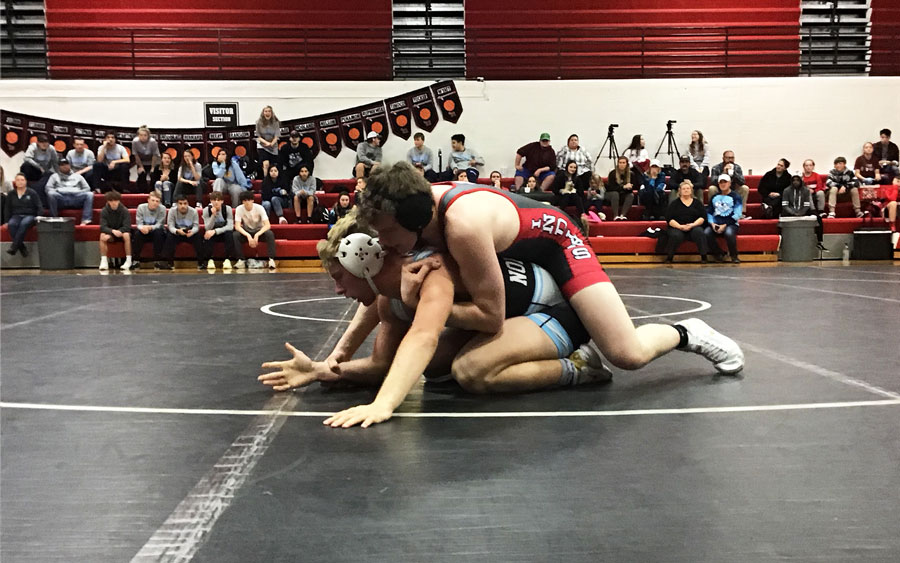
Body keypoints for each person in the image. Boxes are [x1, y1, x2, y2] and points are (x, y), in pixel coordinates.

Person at [346, 163, 743, 403]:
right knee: (442, 367)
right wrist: (337, 358)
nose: (383, 243)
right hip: (520, 255)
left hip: (559, 243)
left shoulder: (461, 227)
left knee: (627, 353)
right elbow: (380, 292)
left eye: (386, 233)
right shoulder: (411, 215)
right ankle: (555, 341)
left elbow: (490, 316)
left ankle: (687, 333)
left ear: (414, 221)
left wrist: (425, 309)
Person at [259, 214, 609, 424]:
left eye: (339, 278)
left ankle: (579, 367)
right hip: (512, 313)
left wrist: (384, 405)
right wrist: (323, 368)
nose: (337, 290)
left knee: (471, 371)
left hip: (554, 310)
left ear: (362, 267)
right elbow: (384, 365)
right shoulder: (390, 296)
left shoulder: (429, 272)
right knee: (435, 368)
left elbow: (424, 336)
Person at [664, 180, 708, 263]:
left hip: (694, 226)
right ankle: (669, 257)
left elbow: (702, 217)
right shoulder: (674, 204)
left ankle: (704, 256)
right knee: (675, 235)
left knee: (699, 232)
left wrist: (693, 225)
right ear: (679, 191)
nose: (686, 190)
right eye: (683, 188)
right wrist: (680, 226)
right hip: (677, 227)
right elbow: (669, 219)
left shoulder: (697, 203)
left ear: (691, 190)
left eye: (688, 188)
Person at [233, 190, 276, 270]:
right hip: (247, 231)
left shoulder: (259, 208)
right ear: (242, 201)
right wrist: (248, 235)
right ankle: (241, 260)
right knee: (235, 235)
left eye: (249, 200)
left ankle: (271, 259)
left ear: (252, 200)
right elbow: (237, 226)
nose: (247, 202)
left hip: (259, 231)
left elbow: (267, 225)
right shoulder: (239, 209)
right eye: (245, 200)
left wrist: (257, 234)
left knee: (270, 234)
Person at [781, 173, 825, 248]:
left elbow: (807, 205)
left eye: (797, 180)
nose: (795, 182)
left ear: (801, 181)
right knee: (781, 219)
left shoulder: (806, 190)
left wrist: (801, 213)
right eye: (794, 180)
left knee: (818, 218)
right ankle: (782, 242)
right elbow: (785, 205)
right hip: (790, 210)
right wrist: (793, 212)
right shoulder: (786, 190)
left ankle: (819, 241)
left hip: (804, 210)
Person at [705, 174, 742, 263]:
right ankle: (718, 254)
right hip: (716, 222)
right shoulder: (714, 197)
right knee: (706, 232)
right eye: (721, 182)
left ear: (729, 183)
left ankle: (734, 255)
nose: (723, 184)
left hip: (731, 223)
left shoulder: (736, 197)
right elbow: (709, 211)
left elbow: (737, 214)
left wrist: (725, 225)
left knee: (729, 233)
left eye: (725, 182)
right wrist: (712, 223)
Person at [45, 158, 93, 225]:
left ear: (70, 165)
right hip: (61, 198)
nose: (65, 166)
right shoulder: (54, 176)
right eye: (62, 165)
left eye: (66, 164)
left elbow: (87, 188)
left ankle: (86, 219)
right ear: (59, 167)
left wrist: (78, 192)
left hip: (76, 198)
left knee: (89, 194)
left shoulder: (78, 176)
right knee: (51, 194)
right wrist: (57, 191)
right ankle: (54, 218)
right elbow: (48, 188)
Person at [160, 193, 201, 270]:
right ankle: (169, 263)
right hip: (177, 233)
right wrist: (177, 231)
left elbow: (196, 226)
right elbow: (170, 226)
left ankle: (201, 262)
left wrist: (192, 232)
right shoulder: (172, 211)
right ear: (176, 204)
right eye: (180, 204)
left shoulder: (193, 211)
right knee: (169, 236)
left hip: (189, 233)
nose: (183, 206)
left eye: (185, 203)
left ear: (188, 204)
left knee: (198, 236)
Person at [4, 173, 40, 257]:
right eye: (18, 180)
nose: (20, 182)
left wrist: (38, 216)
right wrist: (6, 221)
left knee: (24, 224)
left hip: (30, 215)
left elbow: (39, 206)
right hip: (16, 215)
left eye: (22, 180)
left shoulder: (32, 193)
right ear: (15, 182)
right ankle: (21, 247)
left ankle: (14, 247)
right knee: (12, 224)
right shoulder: (11, 194)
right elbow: (7, 208)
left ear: (26, 182)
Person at [131, 189, 168, 269]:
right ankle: (135, 260)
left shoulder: (162, 208)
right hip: (144, 230)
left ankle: (157, 260)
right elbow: (139, 223)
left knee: (159, 233)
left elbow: (160, 224)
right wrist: (142, 228)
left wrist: (150, 227)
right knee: (137, 234)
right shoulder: (141, 207)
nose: (155, 203)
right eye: (153, 200)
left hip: (156, 230)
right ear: (148, 200)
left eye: (157, 201)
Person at [201, 191, 236, 270]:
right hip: (212, 233)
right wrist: (213, 215)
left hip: (223, 232)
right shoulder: (206, 210)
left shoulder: (227, 209)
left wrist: (215, 231)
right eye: (214, 200)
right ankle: (209, 260)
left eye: (218, 200)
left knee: (229, 234)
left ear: (222, 201)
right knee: (207, 234)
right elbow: (207, 227)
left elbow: (230, 226)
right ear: (211, 201)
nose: (216, 202)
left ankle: (227, 259)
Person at [709, 150, 751, 218]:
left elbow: (742, 182)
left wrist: (734, 174)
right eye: (728, 158)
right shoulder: (716, 168)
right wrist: (723, 173)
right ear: (723, 158)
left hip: (733, 190)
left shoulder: (737, 167)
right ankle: (714, 211)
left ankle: (740, 213)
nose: (730, 160)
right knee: (712, 188)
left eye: (732, 158)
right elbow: (713, 181)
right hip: (720, 191)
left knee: (744, 188)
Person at [98, 190, 133, 271]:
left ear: (119, 201)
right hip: (111, 233)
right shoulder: (104, 211)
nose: (114, 203)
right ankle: (104, 261)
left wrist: (120, 231)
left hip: (122, 233)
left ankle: (128, 260)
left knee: (126, 235)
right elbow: (102, 227)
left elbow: (127, 226)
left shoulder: (124, 211)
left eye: (116, 200)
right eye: (111, 201)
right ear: (108, 201)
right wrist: (113, 231)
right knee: (102, 236)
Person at [20, 133, 58, 205]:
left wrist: (58, 174)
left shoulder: (51, 149)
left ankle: (40, 199)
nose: (44, 144)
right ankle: (25, 185)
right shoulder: (32, 147)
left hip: (45, 172)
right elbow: (27, 158)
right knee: (25, 165)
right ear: (38, 143)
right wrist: (39, 167)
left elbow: (55, 162)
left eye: (46, 143)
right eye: (42, 142)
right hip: (34, 170)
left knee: (51, 174)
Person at [605, 156, 640, 220]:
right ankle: (616, 215)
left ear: (626, 164)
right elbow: (610, 188)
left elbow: (634, 187)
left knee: (631, 195)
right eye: (620, 163)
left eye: (623, 163)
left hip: (623, 194)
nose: (621, 164)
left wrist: (629, 187)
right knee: (615, 194)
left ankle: (622, 215)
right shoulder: (613, 173)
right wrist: (623, 187)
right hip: (612, 194)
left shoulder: (631, 174)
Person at [131, 125, 160, 191]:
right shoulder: (135, 142)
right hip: (141, 161)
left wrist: (152, 167)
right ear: (138, 135)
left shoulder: (152, 142)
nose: (143, 137)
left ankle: (153, 191)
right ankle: (141, 192)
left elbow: (155, 155)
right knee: (141, 174)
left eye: (145, 135)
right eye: (141, 135)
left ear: (148, 135)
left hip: (153, 161)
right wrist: (141, 166)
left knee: (153, 174)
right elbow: (136, 155)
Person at [255, 105, 280, 175]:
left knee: (273, 166)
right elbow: (258, 136)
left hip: (273, 146)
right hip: (263, 145)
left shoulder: (276, 122)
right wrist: (266, 143)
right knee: (266, 164)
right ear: (263, 113)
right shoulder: (258, 122)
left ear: (271, 113)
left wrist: (271, 143)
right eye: (266, 111)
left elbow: (276, 136)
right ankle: (266, 180)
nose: (267, 113)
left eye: (269, 111)